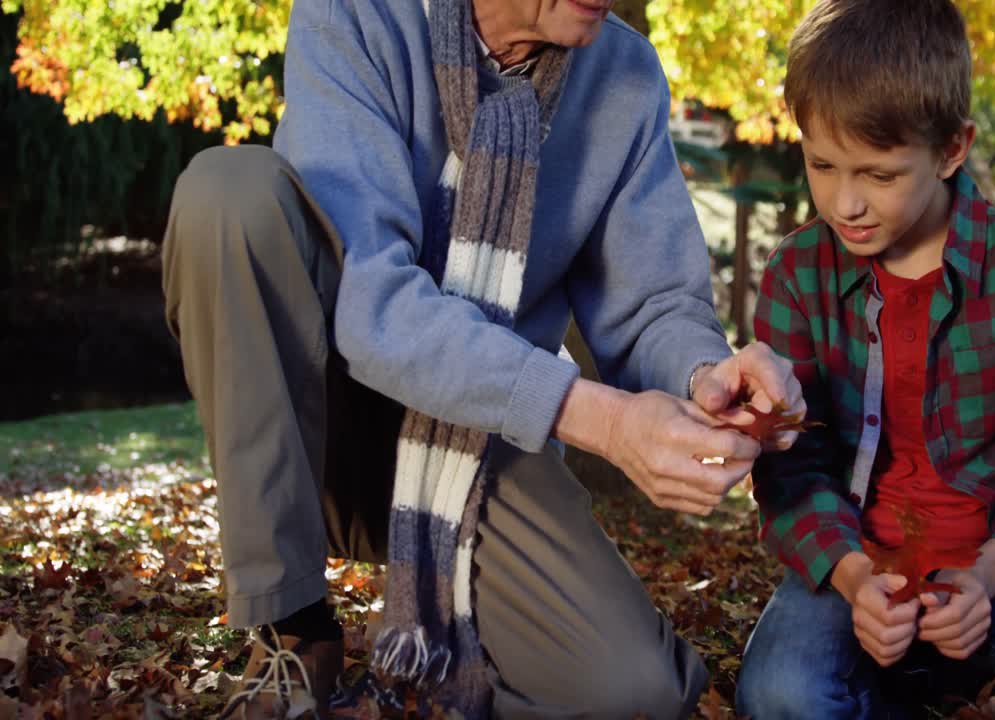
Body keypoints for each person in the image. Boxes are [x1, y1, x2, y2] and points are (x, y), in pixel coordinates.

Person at [161, 0, 802, 717]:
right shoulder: (356, 16)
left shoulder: (623, 74)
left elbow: (653, 304)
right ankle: (293, 625)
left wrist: (705, 377)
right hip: (325, 426)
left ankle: (446, 664)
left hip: (482, 440)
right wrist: (594, 417)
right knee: (230, 194)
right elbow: (373, 302)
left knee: (634, 695)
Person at [733, 0, 995, 717]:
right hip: (852, 563)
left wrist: (987, 575)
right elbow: (789, 463)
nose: (845, 201)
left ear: (953, 149)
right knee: (778, 697)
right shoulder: (796, 272)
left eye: (881, 175)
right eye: (821, 164)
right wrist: (856, 578)